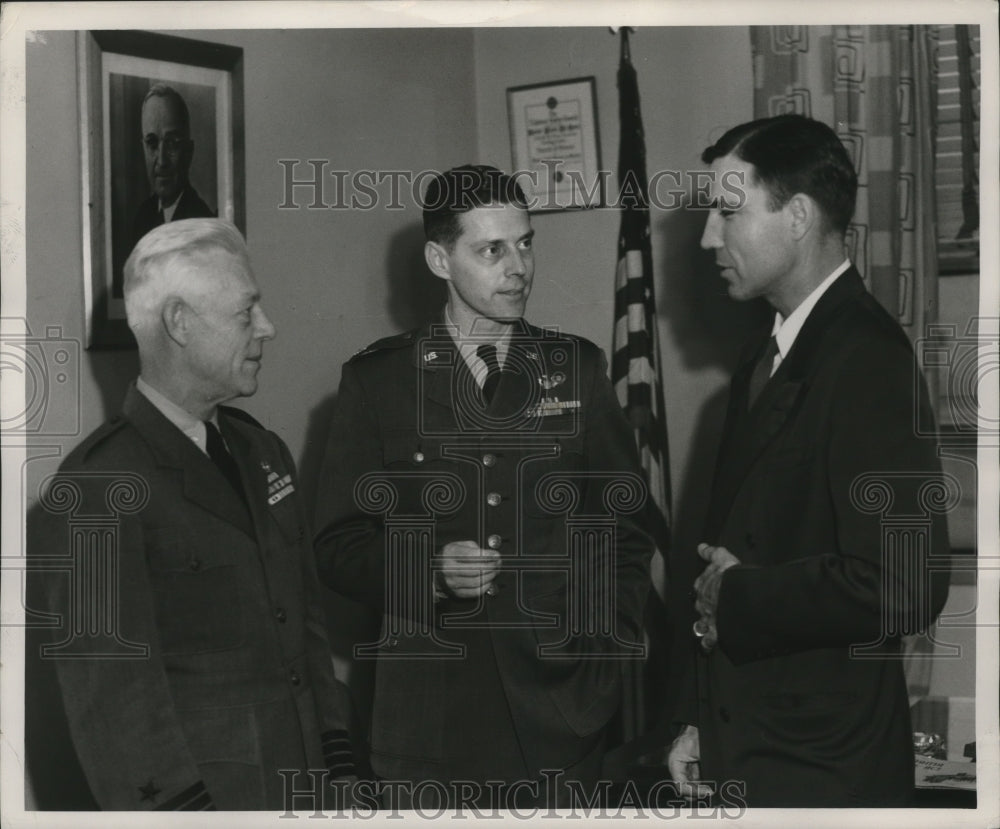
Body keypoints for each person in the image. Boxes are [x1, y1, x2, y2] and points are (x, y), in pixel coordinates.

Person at [313, 165, 654, 808]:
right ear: (439, 259)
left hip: (561, 719)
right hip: (428, 728)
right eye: (491, 249)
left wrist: (603, 659)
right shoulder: (378, 381)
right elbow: (336, 544)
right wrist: (428, 570)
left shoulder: (574, 367)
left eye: (525, 243)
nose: (518, 266)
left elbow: (626, 529)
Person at [667, 114, 951, 807]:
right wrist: (701, 719)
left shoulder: (867, 356)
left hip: (826, 771)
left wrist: (738, 597)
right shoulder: (764, 357)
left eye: (728, 212)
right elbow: (726, 555)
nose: (708, 236)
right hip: (751, 745)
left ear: (796, 216)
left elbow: (906, 582)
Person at [31, 219, 354, 810]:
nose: (268, 327)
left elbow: (306, 631)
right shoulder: (97, 489)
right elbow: (114, 713)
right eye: (246, 312)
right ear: (179, 322)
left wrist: (341, 769)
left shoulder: (262, 452)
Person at [131, 84, 214, 249]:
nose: (162, 161)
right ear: (143, 149)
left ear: (189, 152)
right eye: (152, 143)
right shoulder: (142, 216)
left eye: (172, 144)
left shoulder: (203, 226)